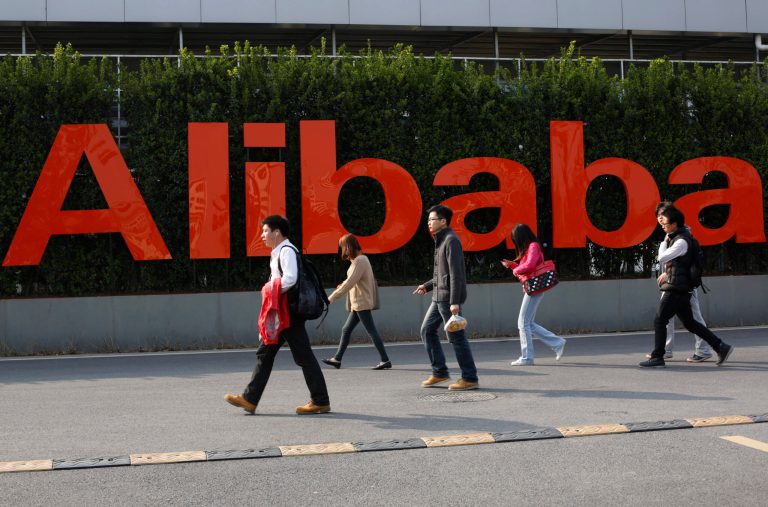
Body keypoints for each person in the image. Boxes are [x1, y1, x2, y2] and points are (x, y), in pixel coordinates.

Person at [224, 215, 331, 414]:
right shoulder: (278, 252)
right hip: (281, 312)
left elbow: (290, 279)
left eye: (266, 231)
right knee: (266, 354)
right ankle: (250, 399)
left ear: (277, 232)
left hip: (288, 314)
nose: (262, 235)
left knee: (302, 356)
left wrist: (269, 289)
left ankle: (320, 401)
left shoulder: (286, 251)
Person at [639, 204, 734, 368]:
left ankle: (658, 356)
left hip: (676, 288)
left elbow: (662, 258)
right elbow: (676, 264)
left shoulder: (681, 241)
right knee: (690, 323)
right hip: (681, 288)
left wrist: (664, 242)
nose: (662, 225)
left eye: (664, 222)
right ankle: (721, 347)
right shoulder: (678, 237)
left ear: (674, 223)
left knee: (660, 320)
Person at [413, 204, 479, 391]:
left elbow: (456, 274)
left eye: (432, 219)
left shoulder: (451, 240)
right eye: (428, 220)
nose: (429, 223)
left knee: (457, 337)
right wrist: (427, 286)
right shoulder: (441, 239)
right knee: (427, 331)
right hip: (438, 296)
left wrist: (454, 302)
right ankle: (440, 372)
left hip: (447, 298)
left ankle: (470, 378)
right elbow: (442, 273)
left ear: (443, 221)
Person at [646, 202, 714, 362]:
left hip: (683, 284)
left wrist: (667, 273)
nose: (660, 218)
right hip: (673, 282)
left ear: (672, 217)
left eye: (663, 214)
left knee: (693, 318)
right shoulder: (670, 233)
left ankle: (704, 349)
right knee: (667, 318)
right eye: (658, 215)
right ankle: (665, 350)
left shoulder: (682, 233)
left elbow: (680, 259)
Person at [322, 234, 391, 370]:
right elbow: (353, 280)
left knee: (371, 331)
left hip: (361, 302)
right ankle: (337, 359)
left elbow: (349, 283)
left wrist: (330, 299)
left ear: (348, 247)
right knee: (346, 329)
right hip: (358, 303)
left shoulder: (360, 261)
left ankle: (385, 360)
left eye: (343, 247)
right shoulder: (360, 260)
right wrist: (342, 284)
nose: (343, 251)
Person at [502, 223, 566, 366]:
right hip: (534, 288)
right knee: (528, 323)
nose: (516, 242)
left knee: (522, 323)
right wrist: (512, 265)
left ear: (521, 237)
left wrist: (516, 270)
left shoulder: (533, 246)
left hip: (534, 288)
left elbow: (530, 265)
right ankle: (557, 343)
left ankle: (527, 357)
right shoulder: (531, 247)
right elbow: (527, 267)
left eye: (516, 239)